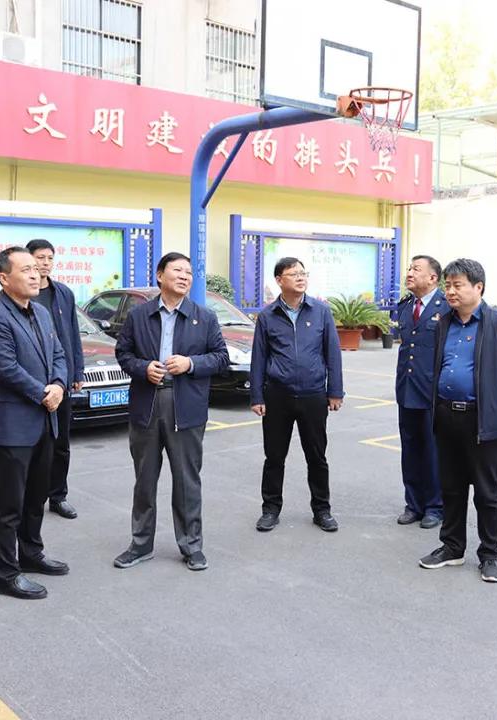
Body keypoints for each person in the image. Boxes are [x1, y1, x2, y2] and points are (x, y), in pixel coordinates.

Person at [112, 252, 229, 571]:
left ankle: (192, 546)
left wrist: (191, 363)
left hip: (186, 406)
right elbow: (123, 353)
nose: (184, 276)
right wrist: (142, 368)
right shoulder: (139, 315)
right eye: (177, 270)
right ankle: (140, 544)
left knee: (187, 480)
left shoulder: (204, 317)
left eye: (188, 272)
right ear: (160, 276)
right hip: (147, 404)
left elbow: (221, 358)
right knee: (144, 480)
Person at [418, 259, 497, 583]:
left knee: (487, 492)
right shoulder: (443, 323)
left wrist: (492, 398)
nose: (450, 291)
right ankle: (452, 547)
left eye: (458, 285)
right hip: (447, 416)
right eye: (448, 285)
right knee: (451, 487)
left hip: (484, 419)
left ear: (478, 287)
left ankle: (490, 554)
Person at [0, 247, 68, 599]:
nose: (35, 274)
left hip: (45, 420)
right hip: (13, 425)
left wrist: (58, 385)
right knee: (9, 504)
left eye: (36, 268)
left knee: (36, 496)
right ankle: (6, 574)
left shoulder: (41, 312)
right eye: (26, 269)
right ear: (4, 278)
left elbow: (58, 354)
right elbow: (5, 367)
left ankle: (31, 553)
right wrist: (43, 393)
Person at [250, 257, 345, 533]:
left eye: (303, 273)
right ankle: (270, 509)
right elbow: (259, 358)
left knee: (317, 456)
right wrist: (257, 396)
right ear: (279, 280)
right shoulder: (267, 316)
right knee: (274, 456)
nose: (301, 278)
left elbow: (332, 353)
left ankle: (322, 510)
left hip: (313, 395)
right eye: (294, 274)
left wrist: (335, 391)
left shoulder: (321, 312)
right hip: (277, 396)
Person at [25, 239, 86, 520]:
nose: (45, 263)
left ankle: (58, 496)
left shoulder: (63, 293)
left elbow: (72, 334)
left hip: (61, 378)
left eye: (50, 258)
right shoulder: (24, 294)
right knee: (34, 443)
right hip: (32, 380)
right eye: (40, 257)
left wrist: (76, 372)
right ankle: (31, 496)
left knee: (61, 443)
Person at [394, 255, 447, 528]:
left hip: (433, 393)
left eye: (416, 269)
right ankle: (413, 504)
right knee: (410, 449)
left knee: (433, 450)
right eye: (409, 268)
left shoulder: (446, 307)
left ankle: (435, 507)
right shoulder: (405, 306)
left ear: (433, 278)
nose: (410, 273)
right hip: (407, 389)